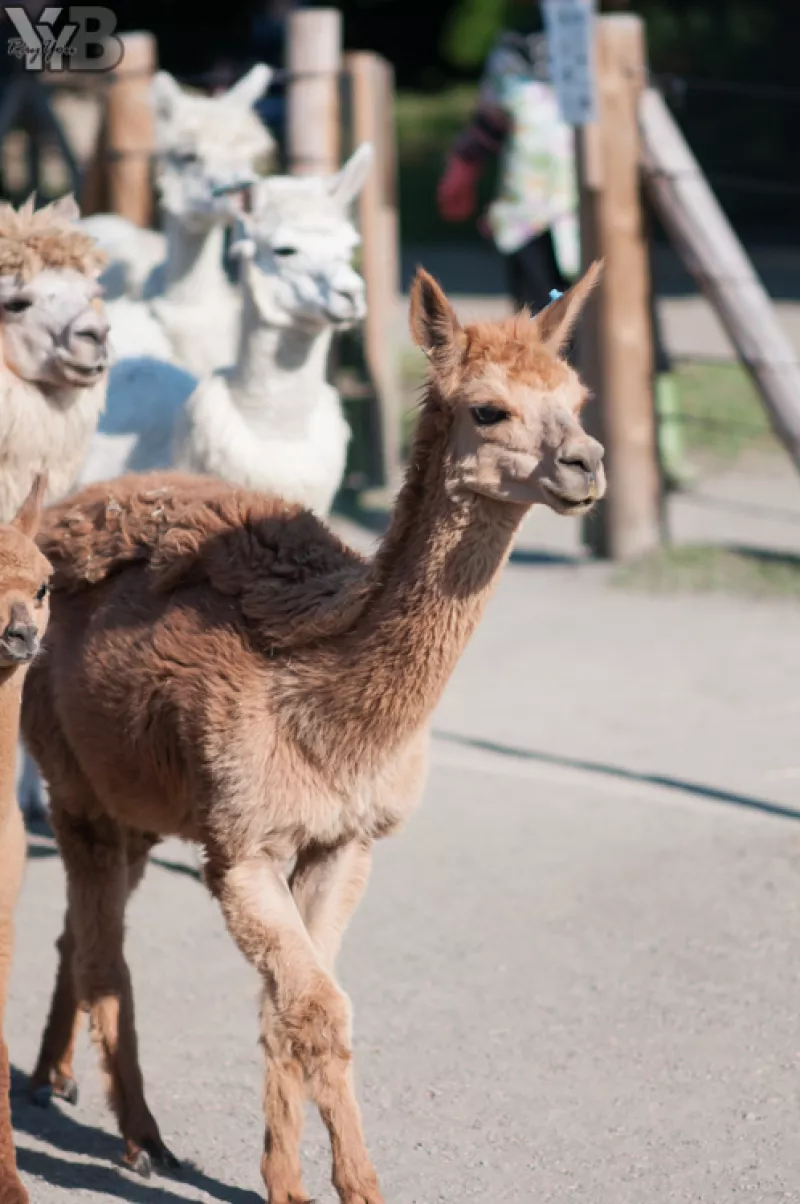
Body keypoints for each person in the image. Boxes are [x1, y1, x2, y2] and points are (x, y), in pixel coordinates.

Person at [436, 5, 577, 316]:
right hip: (527, 212)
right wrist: (462, 171)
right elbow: (490, 123)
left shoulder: (603, 46)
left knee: (599, 313)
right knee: (541, 314)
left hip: (591, 207)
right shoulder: (513, 56)